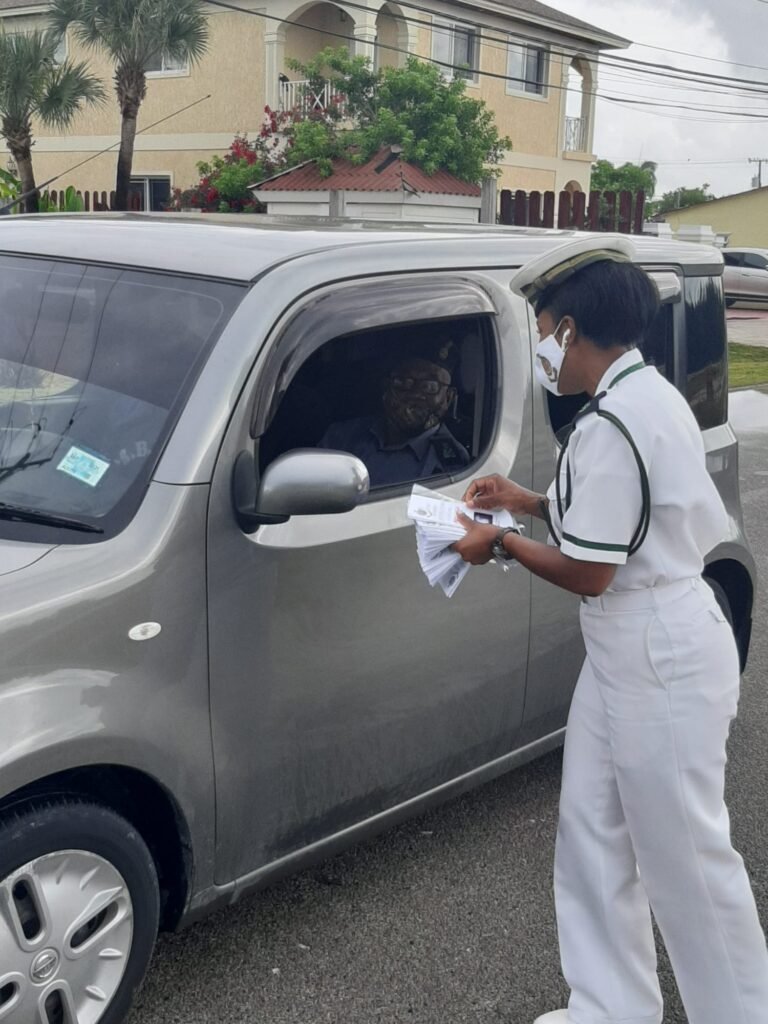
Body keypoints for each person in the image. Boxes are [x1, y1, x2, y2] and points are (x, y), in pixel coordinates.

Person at [452, 235, 768, 1024]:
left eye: (543, 326)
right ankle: (609, 1007)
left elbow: (591, 569)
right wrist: (525, 502)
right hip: (633, 641)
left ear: (569, 331)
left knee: (686, 862)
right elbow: (607, 513)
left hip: (654, 642)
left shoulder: (615, 422)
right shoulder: (640, 396)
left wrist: (498, 543)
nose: (541, 345)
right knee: (593, 829)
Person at [318, 350, 469, 488]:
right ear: (386, 387)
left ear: (448, 397)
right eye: (403, 382)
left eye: (430, 386)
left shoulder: (451, 465)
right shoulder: (342, 436)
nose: (415, 394)